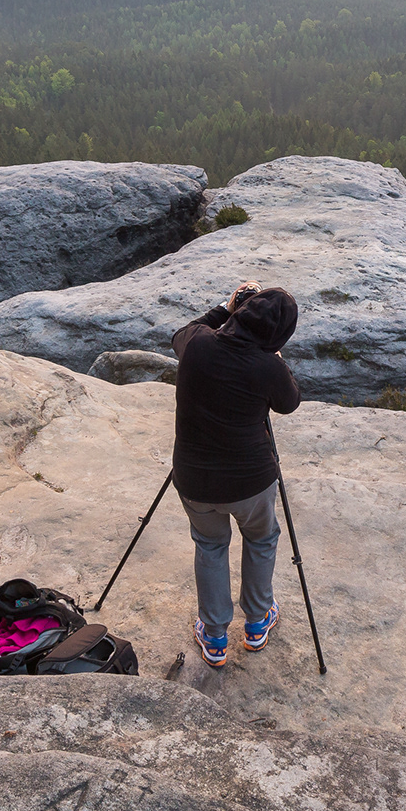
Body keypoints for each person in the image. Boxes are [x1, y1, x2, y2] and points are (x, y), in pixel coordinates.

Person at [170, 280, 301, 668]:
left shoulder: (197, 344)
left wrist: (225, 309)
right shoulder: (268, 366)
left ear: (239, 313)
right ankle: (258, 623)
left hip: (194, 478)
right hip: (250, 482)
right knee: (261, 539)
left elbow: (180, 333)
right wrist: (272, 354)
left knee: (209, 545)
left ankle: (214, 636)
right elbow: (289, 402)